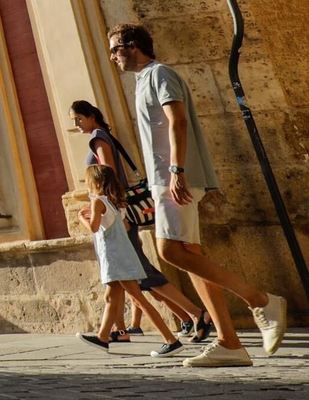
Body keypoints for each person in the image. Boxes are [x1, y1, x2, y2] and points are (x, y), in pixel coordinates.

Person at [109, 22, 288, 367]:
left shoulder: (160, 73)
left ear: (132, 46)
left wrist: (177, 170)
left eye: (115, 49)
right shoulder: (142, 80)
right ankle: (230, 343)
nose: (112, 57)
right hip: (166, 179)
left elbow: (178, 121)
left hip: (174, 178)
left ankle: (261, 301)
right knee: (191, 258)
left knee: (169, 251)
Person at [68, 100, 207, 342]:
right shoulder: (105, 135)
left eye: (79, 119)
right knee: (133, 277)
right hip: (118, 210)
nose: (76, 125)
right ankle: (121, 331)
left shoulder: (97, 138)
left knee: (141, 272)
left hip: (114, 213)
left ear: (91, 116)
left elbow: (107, 172)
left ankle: (195, 314)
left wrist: (99, 204)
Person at [78, 164, 183, 357]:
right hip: (122, 255)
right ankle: (102, 338)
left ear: (96, 182)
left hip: (115, 258)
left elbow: (93, 228)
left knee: (138, 299)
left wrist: (82, 217)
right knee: (110, 297)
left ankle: (171, 340)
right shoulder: (114, 203)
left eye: (87, 181)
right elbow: (126, 227)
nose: (86, 185)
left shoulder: (98, 202)